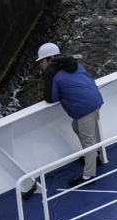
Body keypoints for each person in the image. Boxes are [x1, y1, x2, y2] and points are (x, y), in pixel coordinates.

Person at [36, 42, 105, 185]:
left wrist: (46, 77)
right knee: (76, 127)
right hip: (94, 100)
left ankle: (89, 176)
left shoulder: (52, 73)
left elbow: (51, 98)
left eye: (41, 61)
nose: (40, 65)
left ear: (50, 59)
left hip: (85, 108)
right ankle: (93, 156)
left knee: (88, 142)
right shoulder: (74, 63)